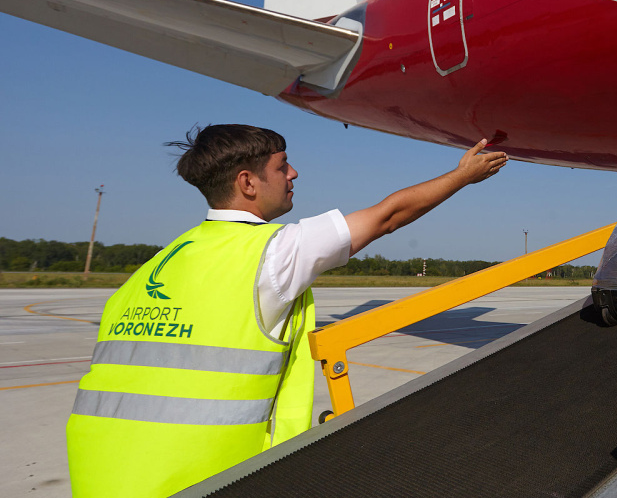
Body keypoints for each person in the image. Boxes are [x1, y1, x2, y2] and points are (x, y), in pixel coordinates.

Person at [65, 124, 506, 498]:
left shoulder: (155, 266)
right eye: (281, 166)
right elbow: (387, 216)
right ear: (247, 183)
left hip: (102, 473)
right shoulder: (273, 252)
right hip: (201, 472)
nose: (293, 173)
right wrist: (463, 175)